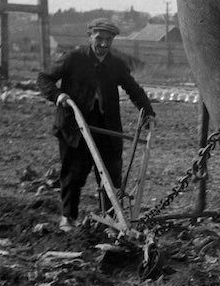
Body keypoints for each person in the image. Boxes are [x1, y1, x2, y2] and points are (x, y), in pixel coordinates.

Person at [38, 19, 156, 230]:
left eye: (108, 40)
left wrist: (148, 112)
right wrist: (58, 95)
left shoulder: (116, 64)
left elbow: (134, 89)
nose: (103, 43)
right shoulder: (74, 58)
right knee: (74, 173)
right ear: (90, 36)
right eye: (99, 38)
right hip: (75, 126)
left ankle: (110, 219)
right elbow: (44, 78)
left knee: (111, 176)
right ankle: (68, 217)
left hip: (107, 126)